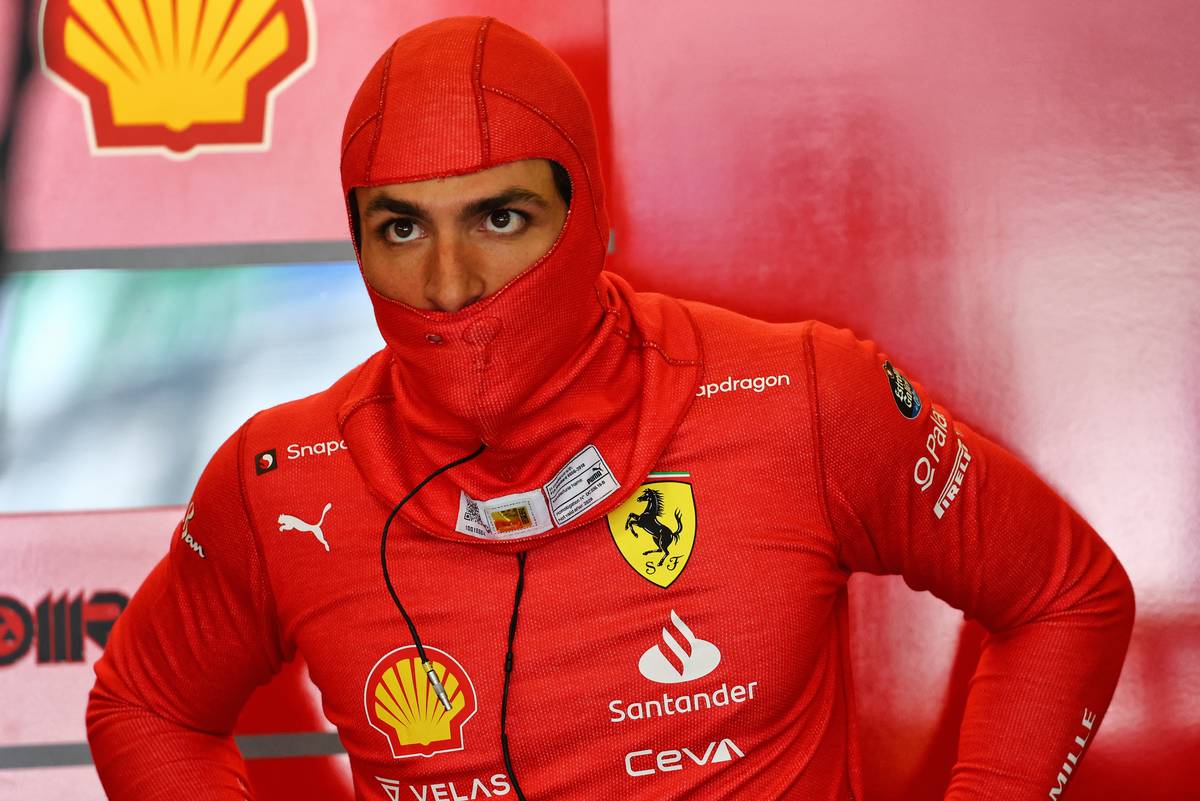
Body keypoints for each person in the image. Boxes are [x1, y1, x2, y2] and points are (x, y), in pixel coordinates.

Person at [86, 16, 1135, 801]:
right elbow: (143, 705)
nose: (451, 283)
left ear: (586, 215)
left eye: (501, 216)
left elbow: (1066, 594)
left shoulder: (801, 396)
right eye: (400, 230)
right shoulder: (283, 479)